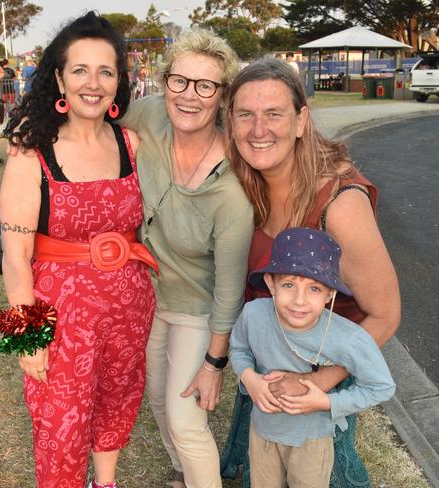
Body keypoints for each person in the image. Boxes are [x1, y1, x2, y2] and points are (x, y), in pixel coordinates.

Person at [221, 58, 401, 488]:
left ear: (302, 120)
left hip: (319, 378)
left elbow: (385, 314)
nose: (258, 129)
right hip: (268, 363)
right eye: (245, 114)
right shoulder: (244, 182)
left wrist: (319, 381)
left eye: (274, 114)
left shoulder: (339, 202)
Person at [0, 12, 156, 488]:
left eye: (106, 71)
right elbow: (14, 255)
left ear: (119, 81)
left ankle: (104, 483)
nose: (94, 83)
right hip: (60, 315)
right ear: (60, 78)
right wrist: (26, 339)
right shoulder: (32, 151)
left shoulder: (132, 142)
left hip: (129, 307)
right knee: (60, 422)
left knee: (117, 400)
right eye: (81, 70)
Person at [119, 30, 254, 488]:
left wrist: (214, 365)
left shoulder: (232, 187)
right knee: (157, 399)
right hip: (147, 295)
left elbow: (230, 288)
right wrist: (26, 137)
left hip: (199, 308)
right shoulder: (151, 115)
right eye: (180, 81)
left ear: (223, 97)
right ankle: (186, 474)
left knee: (185, 419)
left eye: (205, 86)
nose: (189, 96)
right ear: (164, 83)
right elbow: (92, 116)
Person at [230, 227, 395, 488]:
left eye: (314, 289)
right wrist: (249, 378)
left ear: (330, 293)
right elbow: (239, 349)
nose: (299, 300)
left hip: (312, 440)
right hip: (262, 430)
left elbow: (381, 386)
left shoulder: (348, 338)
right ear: (271, 283)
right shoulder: (253, 314)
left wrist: (327, 402)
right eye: (288, 284)